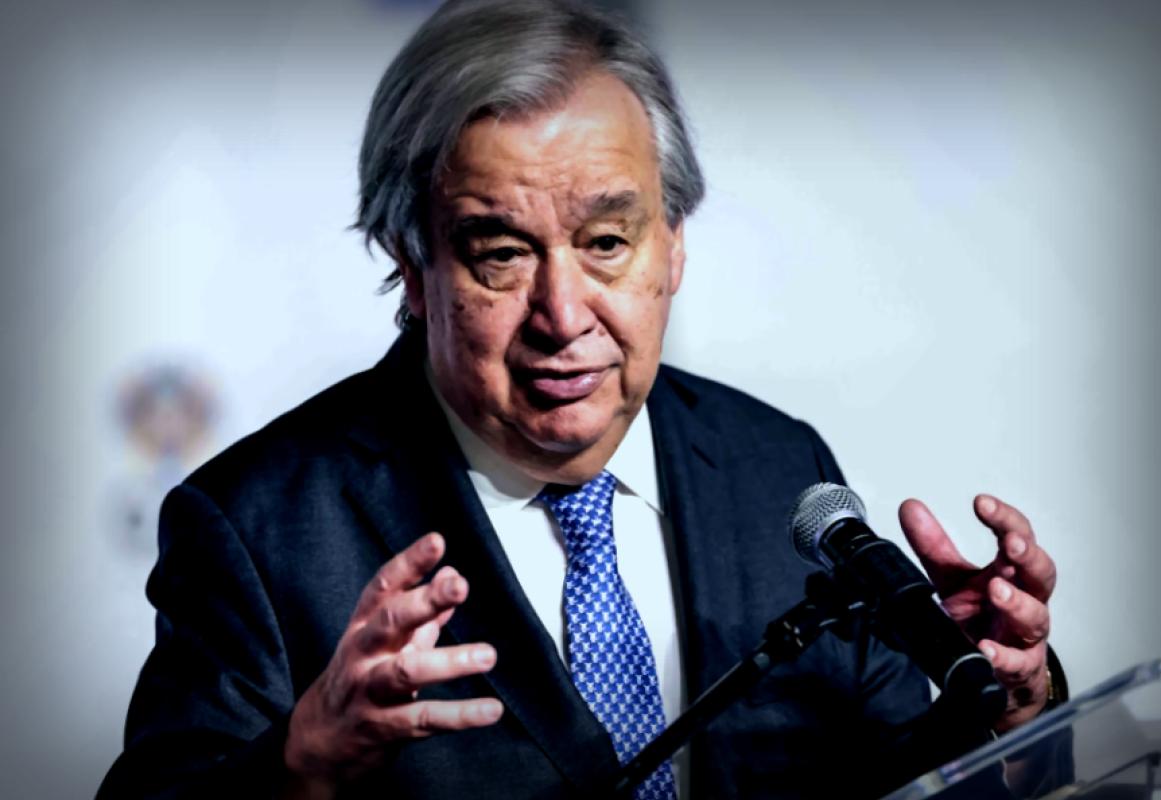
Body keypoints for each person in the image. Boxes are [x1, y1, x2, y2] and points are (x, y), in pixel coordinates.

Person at [98, 1, 1063, 797]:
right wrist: (299, 767)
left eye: (607, 244)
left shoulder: (777, 466)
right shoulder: (259, 527)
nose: (563, 316)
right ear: (413, 267)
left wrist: (1011, 711)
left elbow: (899, 777)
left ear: (672, 247)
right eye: (501, 253)